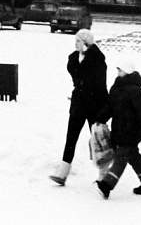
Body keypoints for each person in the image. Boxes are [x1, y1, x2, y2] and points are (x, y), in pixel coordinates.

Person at [50, 29, 108, 185]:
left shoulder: (98, 60)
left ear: (86, 44)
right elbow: (74, 73)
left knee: (97, 139)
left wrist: (103, 110)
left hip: (94, 105)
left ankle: (103, 174)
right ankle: (63, 172)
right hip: (78, 104)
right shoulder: (74, 58)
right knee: (71, 137)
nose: (75, 44)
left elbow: (101, 85)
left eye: (78, 41)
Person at [95, 59, 141, 199]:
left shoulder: (135, 91)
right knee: (133, 156)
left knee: (120, 158)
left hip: (131, 131)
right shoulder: (117, 88)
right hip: (120, 129)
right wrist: (100, 118)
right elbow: (110, 107)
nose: (118, 73)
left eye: (120, 70)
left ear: (127, 72)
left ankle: (107, 184)